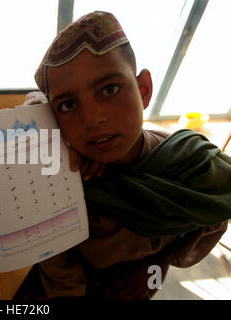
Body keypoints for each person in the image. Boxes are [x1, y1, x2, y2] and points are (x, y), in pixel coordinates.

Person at [15, 11, 231, 300]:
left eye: (110, 89)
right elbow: (58, 265)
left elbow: (212, 219)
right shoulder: (65, 172)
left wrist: (157, 266)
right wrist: (50, 139)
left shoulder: (191, 165)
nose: (92, 120)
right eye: (68, 105)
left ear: (143, 90)